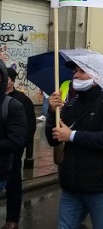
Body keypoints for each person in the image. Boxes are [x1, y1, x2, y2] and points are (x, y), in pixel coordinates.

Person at [45, 61, 103, 229]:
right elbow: (53, 139)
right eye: (75, 71)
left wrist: (72, 136)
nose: (75, 75)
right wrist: (52, 113)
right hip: (71, 186)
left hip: (101, 186)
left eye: (82, 71)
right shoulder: (71, 104)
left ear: (97, 76)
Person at [3, 68, 35, 229]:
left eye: (7, 78)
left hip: (13, 152)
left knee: (13, 185)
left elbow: (30, 127)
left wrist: (21, 145)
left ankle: (12, 219)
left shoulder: (22, 101)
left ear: (11, 80)